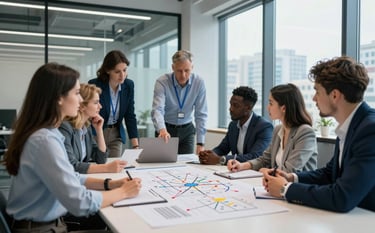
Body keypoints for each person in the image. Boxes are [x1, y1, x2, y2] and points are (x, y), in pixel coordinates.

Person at [3, 63, 142, 232]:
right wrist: (124, 192)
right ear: (59, 98)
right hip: (42, 229)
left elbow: (71, 177)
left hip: (45, 224)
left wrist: (110, 184)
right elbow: (79, 202)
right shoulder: (44, 140)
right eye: (76, 93)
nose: (80, 100)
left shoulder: (48, 133)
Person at [263, 56, 375, 212]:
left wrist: (286, 189)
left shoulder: (369, 130)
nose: (314, 98)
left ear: (334, 95)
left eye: (317, 91)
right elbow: (330, 174)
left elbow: (342, 197)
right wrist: (292, 178)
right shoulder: (351, 126)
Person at [227, 83, 317, 172]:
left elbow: (291, 170)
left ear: (284, 108)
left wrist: (266, 171)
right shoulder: (278, 129)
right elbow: (265, 159)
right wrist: (241, 165)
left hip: (298, 185)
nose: (268, 107)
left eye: (271, 103)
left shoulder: (305, 132)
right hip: (278, 183)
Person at [59, 83, 127, 174]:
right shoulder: (65, 128)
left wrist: (99, 130)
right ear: (82, 106)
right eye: (96, 102)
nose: (100, 106)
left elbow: (101, 159)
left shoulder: (86, 129)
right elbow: (71, 165)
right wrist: (106, 168)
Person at [151, 50, 208, 155]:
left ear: (192, 67)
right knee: (162, 164)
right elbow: (158, 109)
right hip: (166, 130)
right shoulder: (162, 82)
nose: (183, 75)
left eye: (187, 70)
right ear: (173, 68)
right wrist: (162, 129)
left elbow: (201, 114)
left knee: (186, 165)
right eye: (179, 71)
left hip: (187, 131)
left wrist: (201, 143)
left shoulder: (199, 82)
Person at [198, 86, 273, 165]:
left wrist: (221, 159)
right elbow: (222, 148)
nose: (231, 109)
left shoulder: (264, 127)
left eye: (236, 106)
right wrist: (208, 155)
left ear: (248, 108)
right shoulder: (233, 125)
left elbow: (255, 156)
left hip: (255, 172)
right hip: (236, 171)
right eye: (231, 104)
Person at [89, 50, 139, 158]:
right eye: (117, 72)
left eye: (124, 70)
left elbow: (130, 115)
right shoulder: (95, 85)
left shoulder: (128, 85)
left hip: (116, 133)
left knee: (115, 167)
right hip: (97, 131)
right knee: (100, 165)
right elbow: (90, 113)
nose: (122, 75)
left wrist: (135, 146)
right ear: (107, 70)